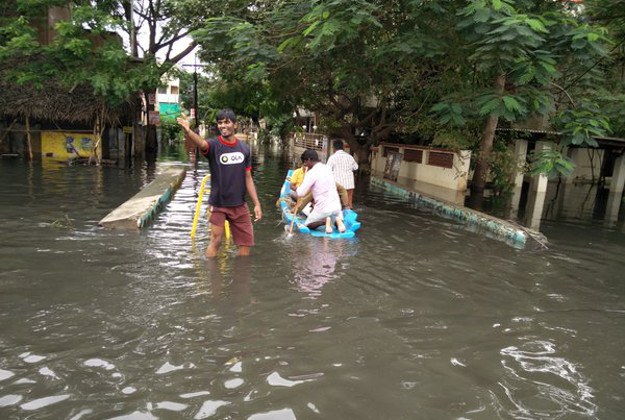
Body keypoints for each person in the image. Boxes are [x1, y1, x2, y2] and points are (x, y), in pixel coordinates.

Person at [177, 109, 262, 257]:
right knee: (215, 241)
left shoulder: (244, 149)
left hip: (239, 205)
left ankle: (241, 278)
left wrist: (256, 203)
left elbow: (248, 177)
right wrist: (188, 131)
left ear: (234, 125)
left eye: (227, 122)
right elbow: (202, 144)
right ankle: (212, 278)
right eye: (220, 123)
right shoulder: (214, 145)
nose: (223, 126)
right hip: (219, 204)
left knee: (245, 244)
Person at [294, 149, 346, 234]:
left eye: (305, 162)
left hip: (323, 208)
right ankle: (338, 221)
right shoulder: (327, 168)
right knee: (335, 214)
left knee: (308, 224)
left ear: (309, 159)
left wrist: (298, 187)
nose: (305, 165)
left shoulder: (311, 173)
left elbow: (301, 193)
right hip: (337, 206)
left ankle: (325, 221)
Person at [326, 140, 359, 208]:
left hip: (338, 184)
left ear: (334, 148)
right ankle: (349, 216)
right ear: (343, 147)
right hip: (349, 184)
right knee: (349, 203)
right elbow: (356, 167)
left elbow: (327, 170)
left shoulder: (332, 157)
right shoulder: (350, 157)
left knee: (335, 203)